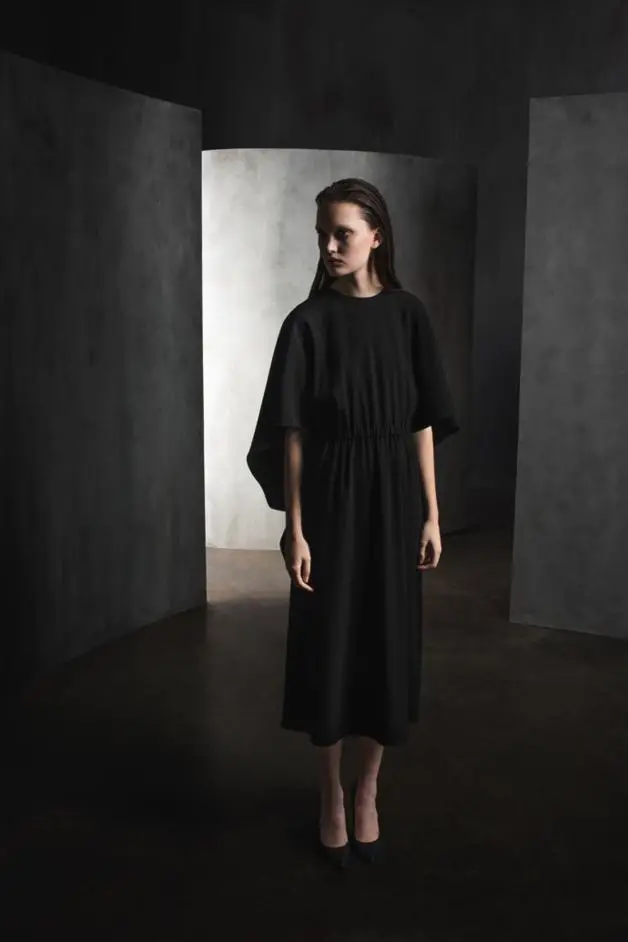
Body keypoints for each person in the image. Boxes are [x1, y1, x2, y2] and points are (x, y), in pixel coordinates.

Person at [246, 178, 459, 868]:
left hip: (394, 497)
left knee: (386, 641)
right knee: (330, 643)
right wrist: (296, 527)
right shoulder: (307, 322)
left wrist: (432, 512)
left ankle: (368, 788)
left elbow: (421, 421)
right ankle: (329, 795)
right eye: (322, 235)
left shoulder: (408, 315)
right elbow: (293, 434)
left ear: (376, 235)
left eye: (342, 233)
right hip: (332, 497)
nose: (330, 246)